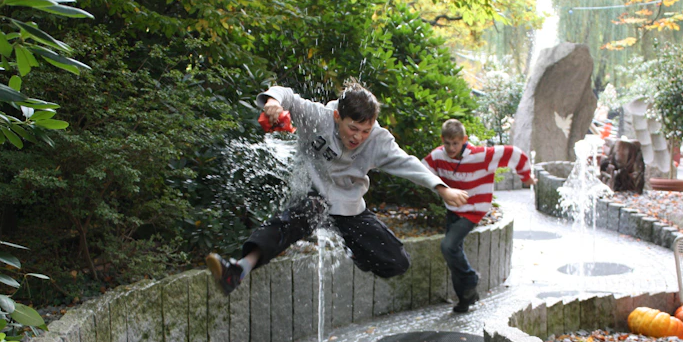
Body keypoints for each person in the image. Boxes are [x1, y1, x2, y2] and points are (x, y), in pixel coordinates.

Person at [205, 80, 469, 295]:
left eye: (365, 130)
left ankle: (350, 246)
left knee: (397, 263)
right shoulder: (318, 116)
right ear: (337, 116)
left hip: (349, 207)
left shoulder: (378, 139)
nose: (358, 137)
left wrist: (442, 188)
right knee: (291, 220)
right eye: (352, 128)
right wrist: (273, 102)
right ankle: (238, 268)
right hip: (314, 197)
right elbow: (286, 94)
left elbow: (407, 162)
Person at [422, 119, 533, 313]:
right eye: (447, 143)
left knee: (448, 246)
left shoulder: (481, 155)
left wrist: (526, 176)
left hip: (474, 211)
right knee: (453, 253)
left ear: (464, 140)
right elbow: (421, 170)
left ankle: (471, 279)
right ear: (442, 140)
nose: (451, 148)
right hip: (453, 209)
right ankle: (465, 299)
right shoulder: (438, 155)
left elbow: (514, 154)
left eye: (455, 143)